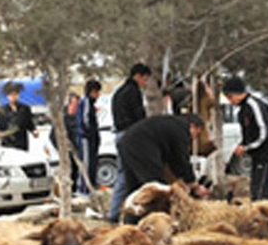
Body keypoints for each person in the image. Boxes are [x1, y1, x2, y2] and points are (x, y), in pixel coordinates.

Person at [117, 113, 210, 199]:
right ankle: (155, 213)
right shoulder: (182, 131)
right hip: (143, 146)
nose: (194, 138)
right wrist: (192, 183)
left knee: (133, 186)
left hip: (127, 141)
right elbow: (181, 159)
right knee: (156, 186)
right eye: (197, 134)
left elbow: (173, 160)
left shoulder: (171, 124)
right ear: (192, 126)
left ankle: (123, 214)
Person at [222, 76, 268, 200]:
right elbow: (249, 133)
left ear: (237, 94)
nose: (230, 101)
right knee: (256, 188)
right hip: (257, 155)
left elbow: (264, 132)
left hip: (267, 154)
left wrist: (246, 147)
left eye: (230, 97)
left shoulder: (254, 105)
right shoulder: (243, 110)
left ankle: (263, 216)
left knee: (261, 191)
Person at [107, 63, 151, 221]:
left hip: (120, 134)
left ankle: (115, 211)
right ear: (137, 76)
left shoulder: (118, 92)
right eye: (144, 79)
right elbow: (138, 117)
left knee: (122, 174)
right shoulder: (133, 92)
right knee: (128, 175)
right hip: (130, 136)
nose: (144, 83)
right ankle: (117, 213)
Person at [0, 82, 38, 151]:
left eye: (15, 94)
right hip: (7, 141)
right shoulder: (2, 110)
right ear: (8, 96)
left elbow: (29, 122)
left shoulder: (24, 108)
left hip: (21, 140)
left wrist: (34, 130)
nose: (13, 97)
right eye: (11, 95)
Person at [75, 79, 102, 193]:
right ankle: (84, 188)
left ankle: (90, 186)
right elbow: (85, 120)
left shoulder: (90, 104)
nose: (98, 95)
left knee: (92, 163)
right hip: (86, 138)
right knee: (86, 163)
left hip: (91, 138)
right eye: (97, 92)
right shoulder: (86, 102)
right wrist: (90, 133)